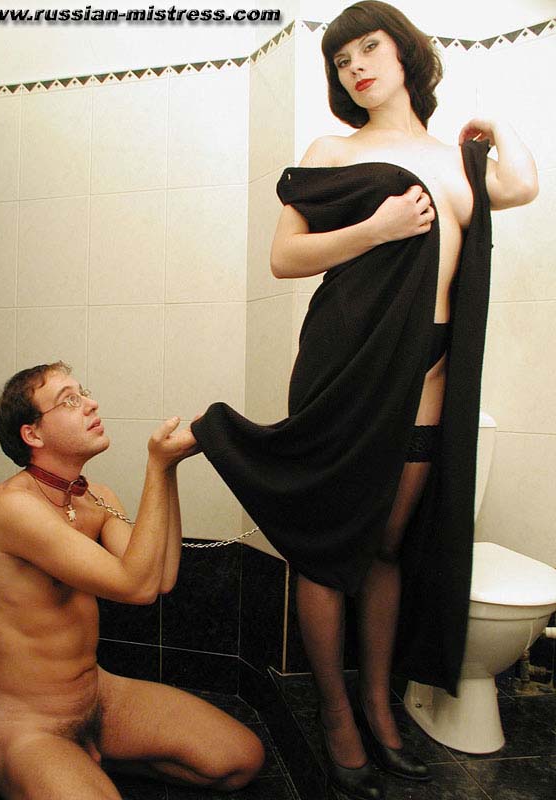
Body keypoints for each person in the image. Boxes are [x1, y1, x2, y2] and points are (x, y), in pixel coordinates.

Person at [191, 2, 538, 798]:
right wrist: (377, 229)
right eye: (341, 59)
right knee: (326, 546)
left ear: (404, 52)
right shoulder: (333, 151)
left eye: (369, 48)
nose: (354, 67)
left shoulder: (454, 159)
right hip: (347, 367)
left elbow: (520, 185)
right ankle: (337, 713)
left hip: (432, 375)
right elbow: (285, 257)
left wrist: (494, 124)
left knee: (384, 546)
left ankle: (380, 707)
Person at [0, 361, 265, 800]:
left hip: (98, 696)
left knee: (241, 759)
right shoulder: (10, 507)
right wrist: (155, 465)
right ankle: (60, 767)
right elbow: (136, 586)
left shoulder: (95, 497)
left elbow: (160, 578)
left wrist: (168, 470)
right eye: (69, 400)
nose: (90, 404)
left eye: (83, 392)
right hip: (29, 723)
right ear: (33, 434)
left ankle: (96, 759)